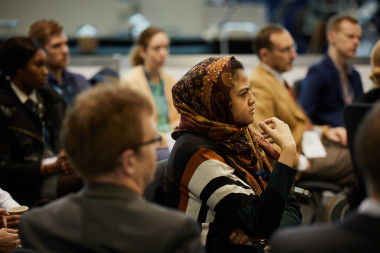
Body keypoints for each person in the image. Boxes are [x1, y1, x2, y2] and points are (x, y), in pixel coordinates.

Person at [19, 85, 205, 253]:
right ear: (128, 161)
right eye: (153, 141)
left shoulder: (37, 226)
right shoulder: (175, 233)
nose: (157, 148)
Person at [164, 56, 301, 253]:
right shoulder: (197, 153)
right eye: (243, 94)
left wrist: (260, 232)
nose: (253, 99)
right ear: (217, 101)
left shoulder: (239, 137)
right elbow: (263, 220)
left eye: (250, 90)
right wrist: (287, 150)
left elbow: (290, 204)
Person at [249, 24, 353, 186]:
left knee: (361, 148)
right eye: (286, 50)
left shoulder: (276, 77)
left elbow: (297, 123)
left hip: (309, 145)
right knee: (363, 160)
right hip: (298, 157)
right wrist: (301, 163)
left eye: (293, 47)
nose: (294, 55)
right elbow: (264, 141)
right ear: (265, 55)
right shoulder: (258, 84)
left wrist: (326, 132)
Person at [269, 102, 380, 253]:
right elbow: (264, 137)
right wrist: (299, 161)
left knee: (348, 146)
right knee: (349, 158)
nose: (250, 99)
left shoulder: (287, 245)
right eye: (244, 93)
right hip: (301, 155)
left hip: (313, 144)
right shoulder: (262, 84)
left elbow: (300, 124)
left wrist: (324, 131)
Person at [0, 36, 78, 207]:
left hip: (58, 173)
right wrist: (47, 168)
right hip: (28, 186)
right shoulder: (3, 107)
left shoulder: (52, 99)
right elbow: (3, 169)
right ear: (19, 68)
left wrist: (69, 157)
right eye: (38, 65)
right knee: (94, 178)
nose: (45, 71)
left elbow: (68, 141)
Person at [121, 26, 179, 160]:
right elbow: (133, 125)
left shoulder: (170, 80)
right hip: (148, 144)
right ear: (142, 51)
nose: (163, 53)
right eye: (157, 48)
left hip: (170, 139)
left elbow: (179, 118)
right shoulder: (130, 81)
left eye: (166, 47)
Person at [299, 14, 363, 127]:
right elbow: (303, 118)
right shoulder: (318, 72)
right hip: (330, 139)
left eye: (359, 38)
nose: (356, 42)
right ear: (332, 37)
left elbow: (361, 113)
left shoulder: (354, 75)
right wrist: (327, 131)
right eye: (350, 36)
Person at [28, 19, 91, 107]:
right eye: (56, 46)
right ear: (40, 51)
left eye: (65, 44)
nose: (65, 50)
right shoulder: (36, 87)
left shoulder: (78, 81)